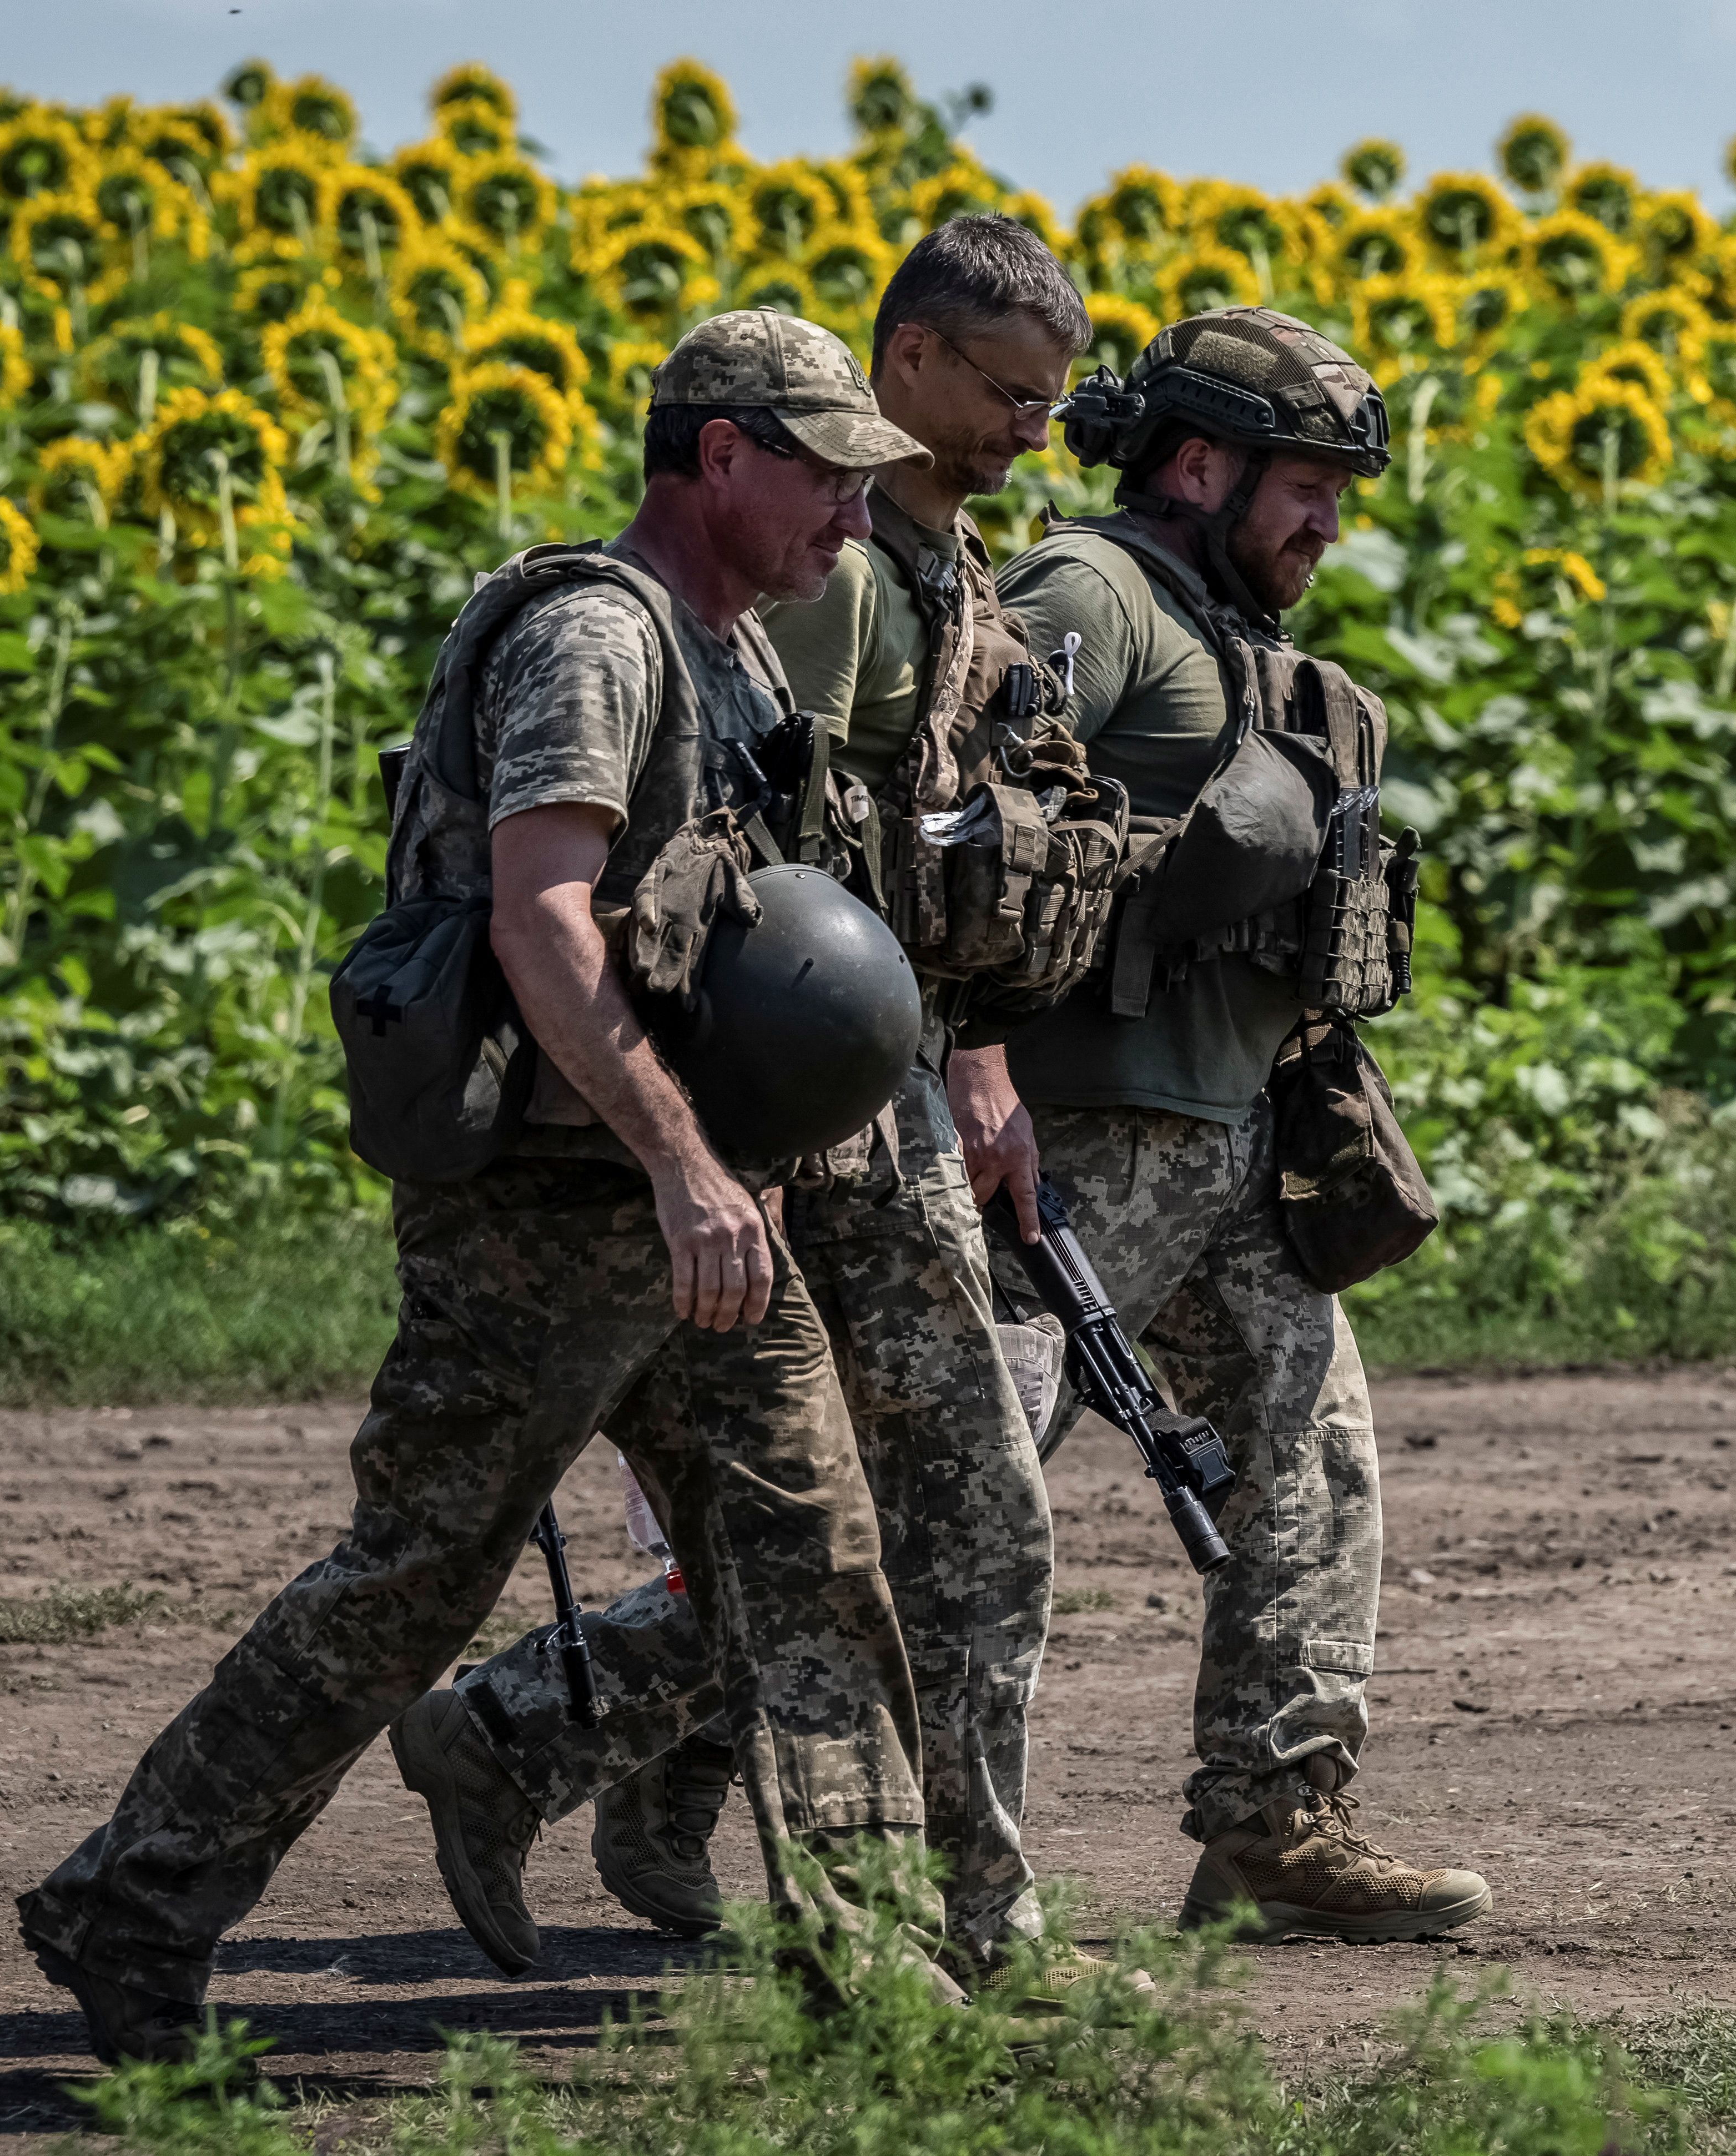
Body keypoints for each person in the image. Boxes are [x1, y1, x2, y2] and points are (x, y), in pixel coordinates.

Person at [15, 309, 946, 2064]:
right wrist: (682, 1162)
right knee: (413, 1579)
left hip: (689, 1203)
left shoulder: (736, 650)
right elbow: (540, 913)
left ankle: (878, 1970)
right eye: (825, 470)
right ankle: (125, 1907)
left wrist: (721, 1164)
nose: (849, 512)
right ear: (720, 453)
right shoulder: (599, 633)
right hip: (552, 1206)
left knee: (812, 1550)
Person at [413, 216, 1099, 1982]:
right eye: (1008, 392)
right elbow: (752, 878)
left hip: (883, 1089)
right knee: (919, 1516)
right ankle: (941, 1927)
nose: (1035, 426)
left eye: (1053, 399)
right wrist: (722, 1144)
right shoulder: (827, 576)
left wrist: (979, 1053)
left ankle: (546, 1744)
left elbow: (910, 863)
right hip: (810, 1114)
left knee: (860, 1519)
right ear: (906, 364)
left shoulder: (939, 561)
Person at [977, 308, 1491, 1942]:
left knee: (1312, 1466)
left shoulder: (1226, 620)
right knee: (950, 1495)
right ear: (1196, 465)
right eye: (1308, 486)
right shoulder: (1089, 596)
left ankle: (1277, 1820)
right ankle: (541, 1719)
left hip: (1232, 1138)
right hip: (1079, 1143)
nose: (1330, 524)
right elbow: (971, 842)